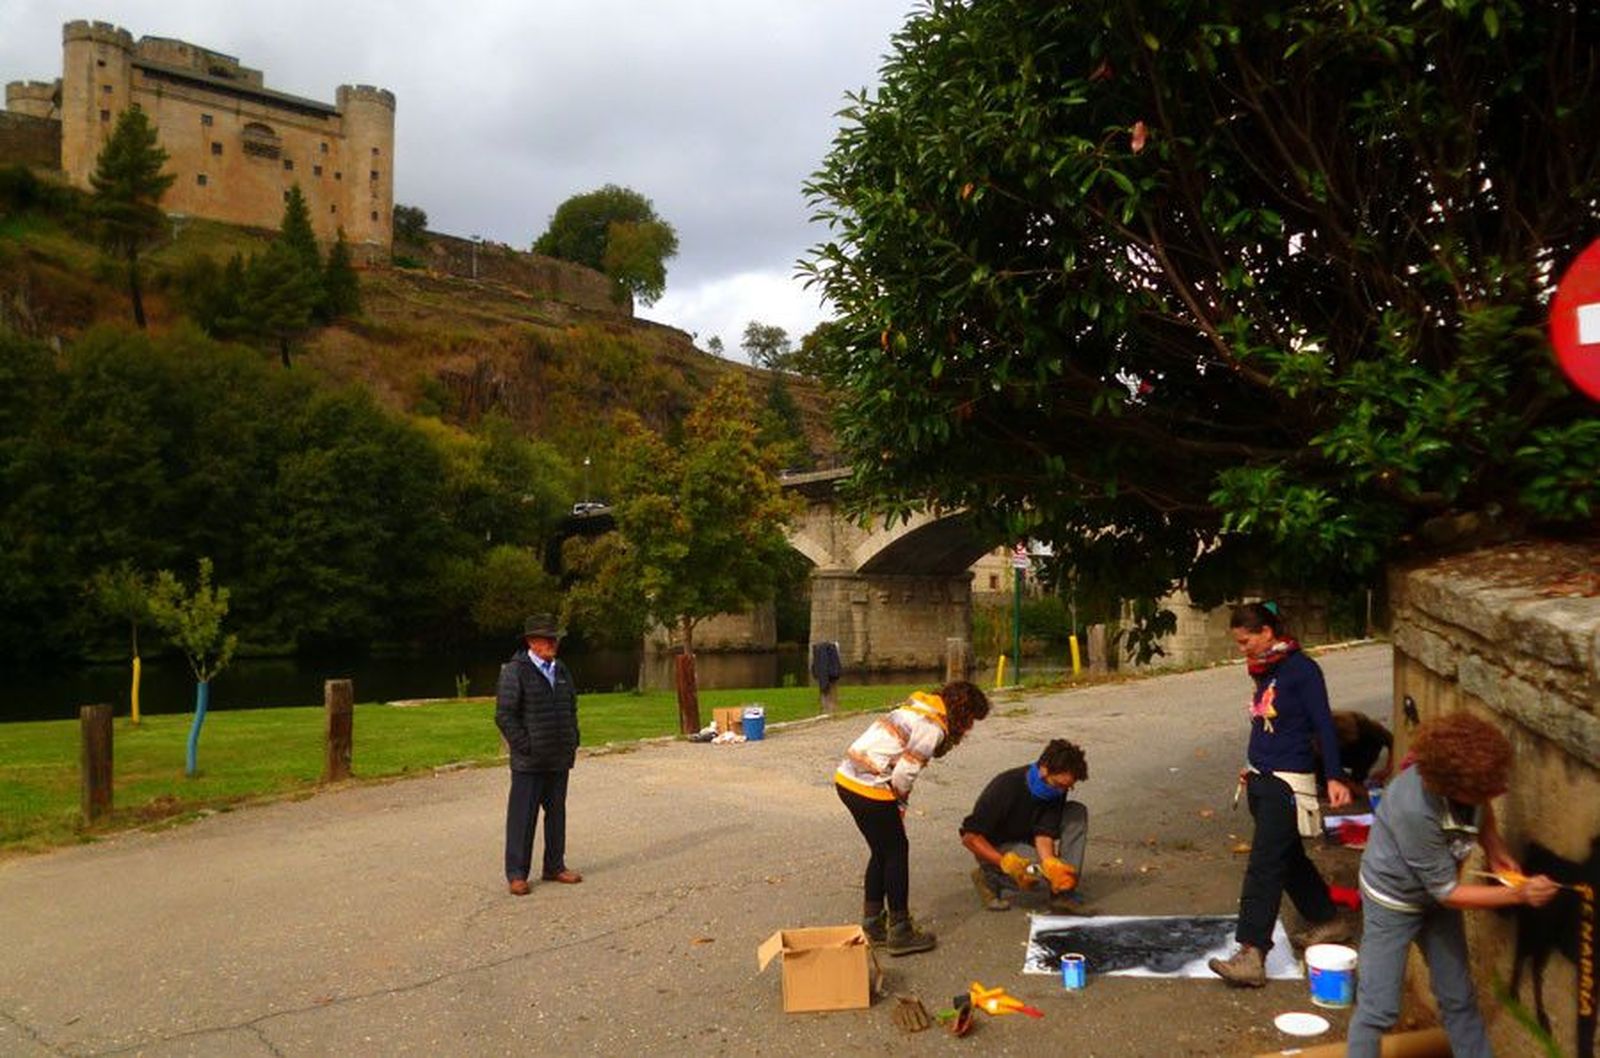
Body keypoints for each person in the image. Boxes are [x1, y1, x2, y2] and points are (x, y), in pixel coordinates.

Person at [1347, 713, 1559, 1058]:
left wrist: (1494, 845)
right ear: (1453, 787)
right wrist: (1519, 893)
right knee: (1378, 1008)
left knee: (1458, 998)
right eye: (1488, 788)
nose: (1499, 790)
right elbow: (1450, 895)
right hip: (1393, 902)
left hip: (1437, 899)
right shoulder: (1413, 808)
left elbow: (1483, 807)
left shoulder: (1472, 787)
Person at [1209, 601, 1356, 987]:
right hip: (1262, 777)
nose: (1242, 649)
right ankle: (1327, 918)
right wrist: (1252, 765)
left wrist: (1336, 777)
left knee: (1265, 864)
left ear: (1266, 634)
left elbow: (1324, 723)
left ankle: (1252, 952)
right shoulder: (1264, 671)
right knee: (1287, 857)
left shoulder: (1302, 671)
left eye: (1245, 641)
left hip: (1288, 782)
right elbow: (1265, 724)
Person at [834, 680, 992, 956]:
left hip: (847, 779)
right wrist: (900, 802)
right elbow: (904, 774)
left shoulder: (918, 707)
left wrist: (896, 801)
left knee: (881, 851)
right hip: (870, 785)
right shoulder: (933, 727)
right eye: (970, 721)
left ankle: (872, 923)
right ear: (962, 712)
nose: (969, 729)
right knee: (896, 851)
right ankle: (900, 930)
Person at [495, 614, 582, 895]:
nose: (553, 644)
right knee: (523, 817)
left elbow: (571, 707)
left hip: (559, 757)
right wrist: (525, 746)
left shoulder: (561, 670)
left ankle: (555, 866)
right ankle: (517, 873)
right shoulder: (515, 671)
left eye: (554, 639)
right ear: (532, 642)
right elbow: (504, 716)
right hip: (529, 761)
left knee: (557, 814)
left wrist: (573, 738)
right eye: (547, 639)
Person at [960, 739, 1092, 914]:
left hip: (1028, 838)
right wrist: (1005, 862)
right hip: (998, 846)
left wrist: (1051, 864)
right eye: (1060, 785)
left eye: (1067, 787)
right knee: (1035, 876)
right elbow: (970, 838)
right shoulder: (1006, 786)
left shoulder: (1056, 789)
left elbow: (1044, 832)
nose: (1062, 791)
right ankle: (990, 876)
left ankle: (1063, 892)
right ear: (1044, 769)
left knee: (1076, 813)